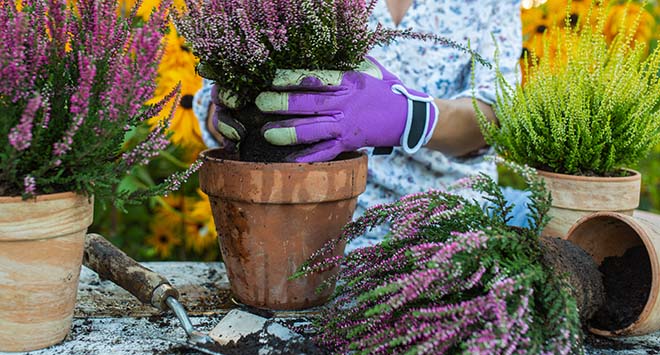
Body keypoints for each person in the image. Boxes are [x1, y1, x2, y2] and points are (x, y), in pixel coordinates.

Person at [193, 0, 527, 251]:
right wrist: (233, 108)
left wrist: (411, 117)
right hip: (321, 233)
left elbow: (493, 114)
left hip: (452, 229)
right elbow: (223, 92)